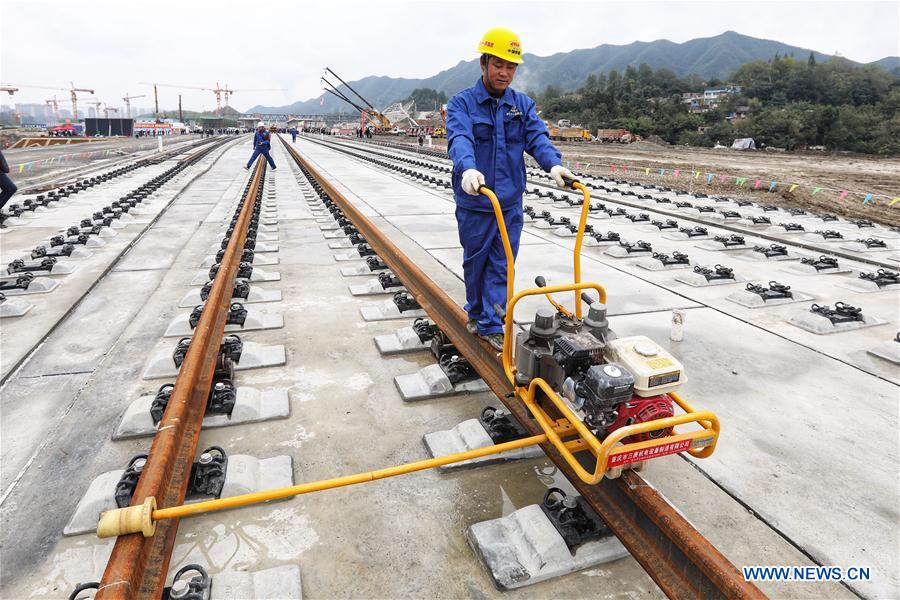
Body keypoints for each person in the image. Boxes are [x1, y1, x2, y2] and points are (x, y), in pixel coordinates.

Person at [447, 27, 574, 351]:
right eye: (498, 64)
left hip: (509, 203)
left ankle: (492, 322)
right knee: (476, 263)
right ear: (484, 63)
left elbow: (537, 138)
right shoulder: (462, 104)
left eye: (511, 66)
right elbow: (460, 138)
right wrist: (468, 168)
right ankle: (477, 313)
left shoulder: (522, 105)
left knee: (503, 264)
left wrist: (554, 164)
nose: (504, 72)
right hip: (477, 202)